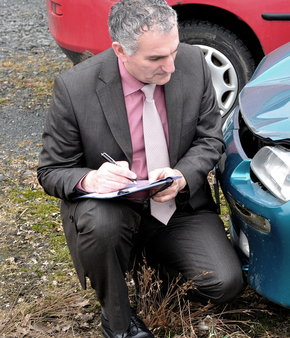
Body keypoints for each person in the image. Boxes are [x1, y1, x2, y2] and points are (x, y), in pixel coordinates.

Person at [37, 0, 244, 337]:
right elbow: (51, 170)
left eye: (173, 51)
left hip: (178, 207)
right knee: (102, 227)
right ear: (121, 50)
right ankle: (116, 317)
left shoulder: (192, 62)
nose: (171, 67)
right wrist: (91, 179)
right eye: (155, 59)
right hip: (112, 209)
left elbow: (210, 139)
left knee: (225, 283)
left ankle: (148, 262)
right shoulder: (75, 88)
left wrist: (181, 176)